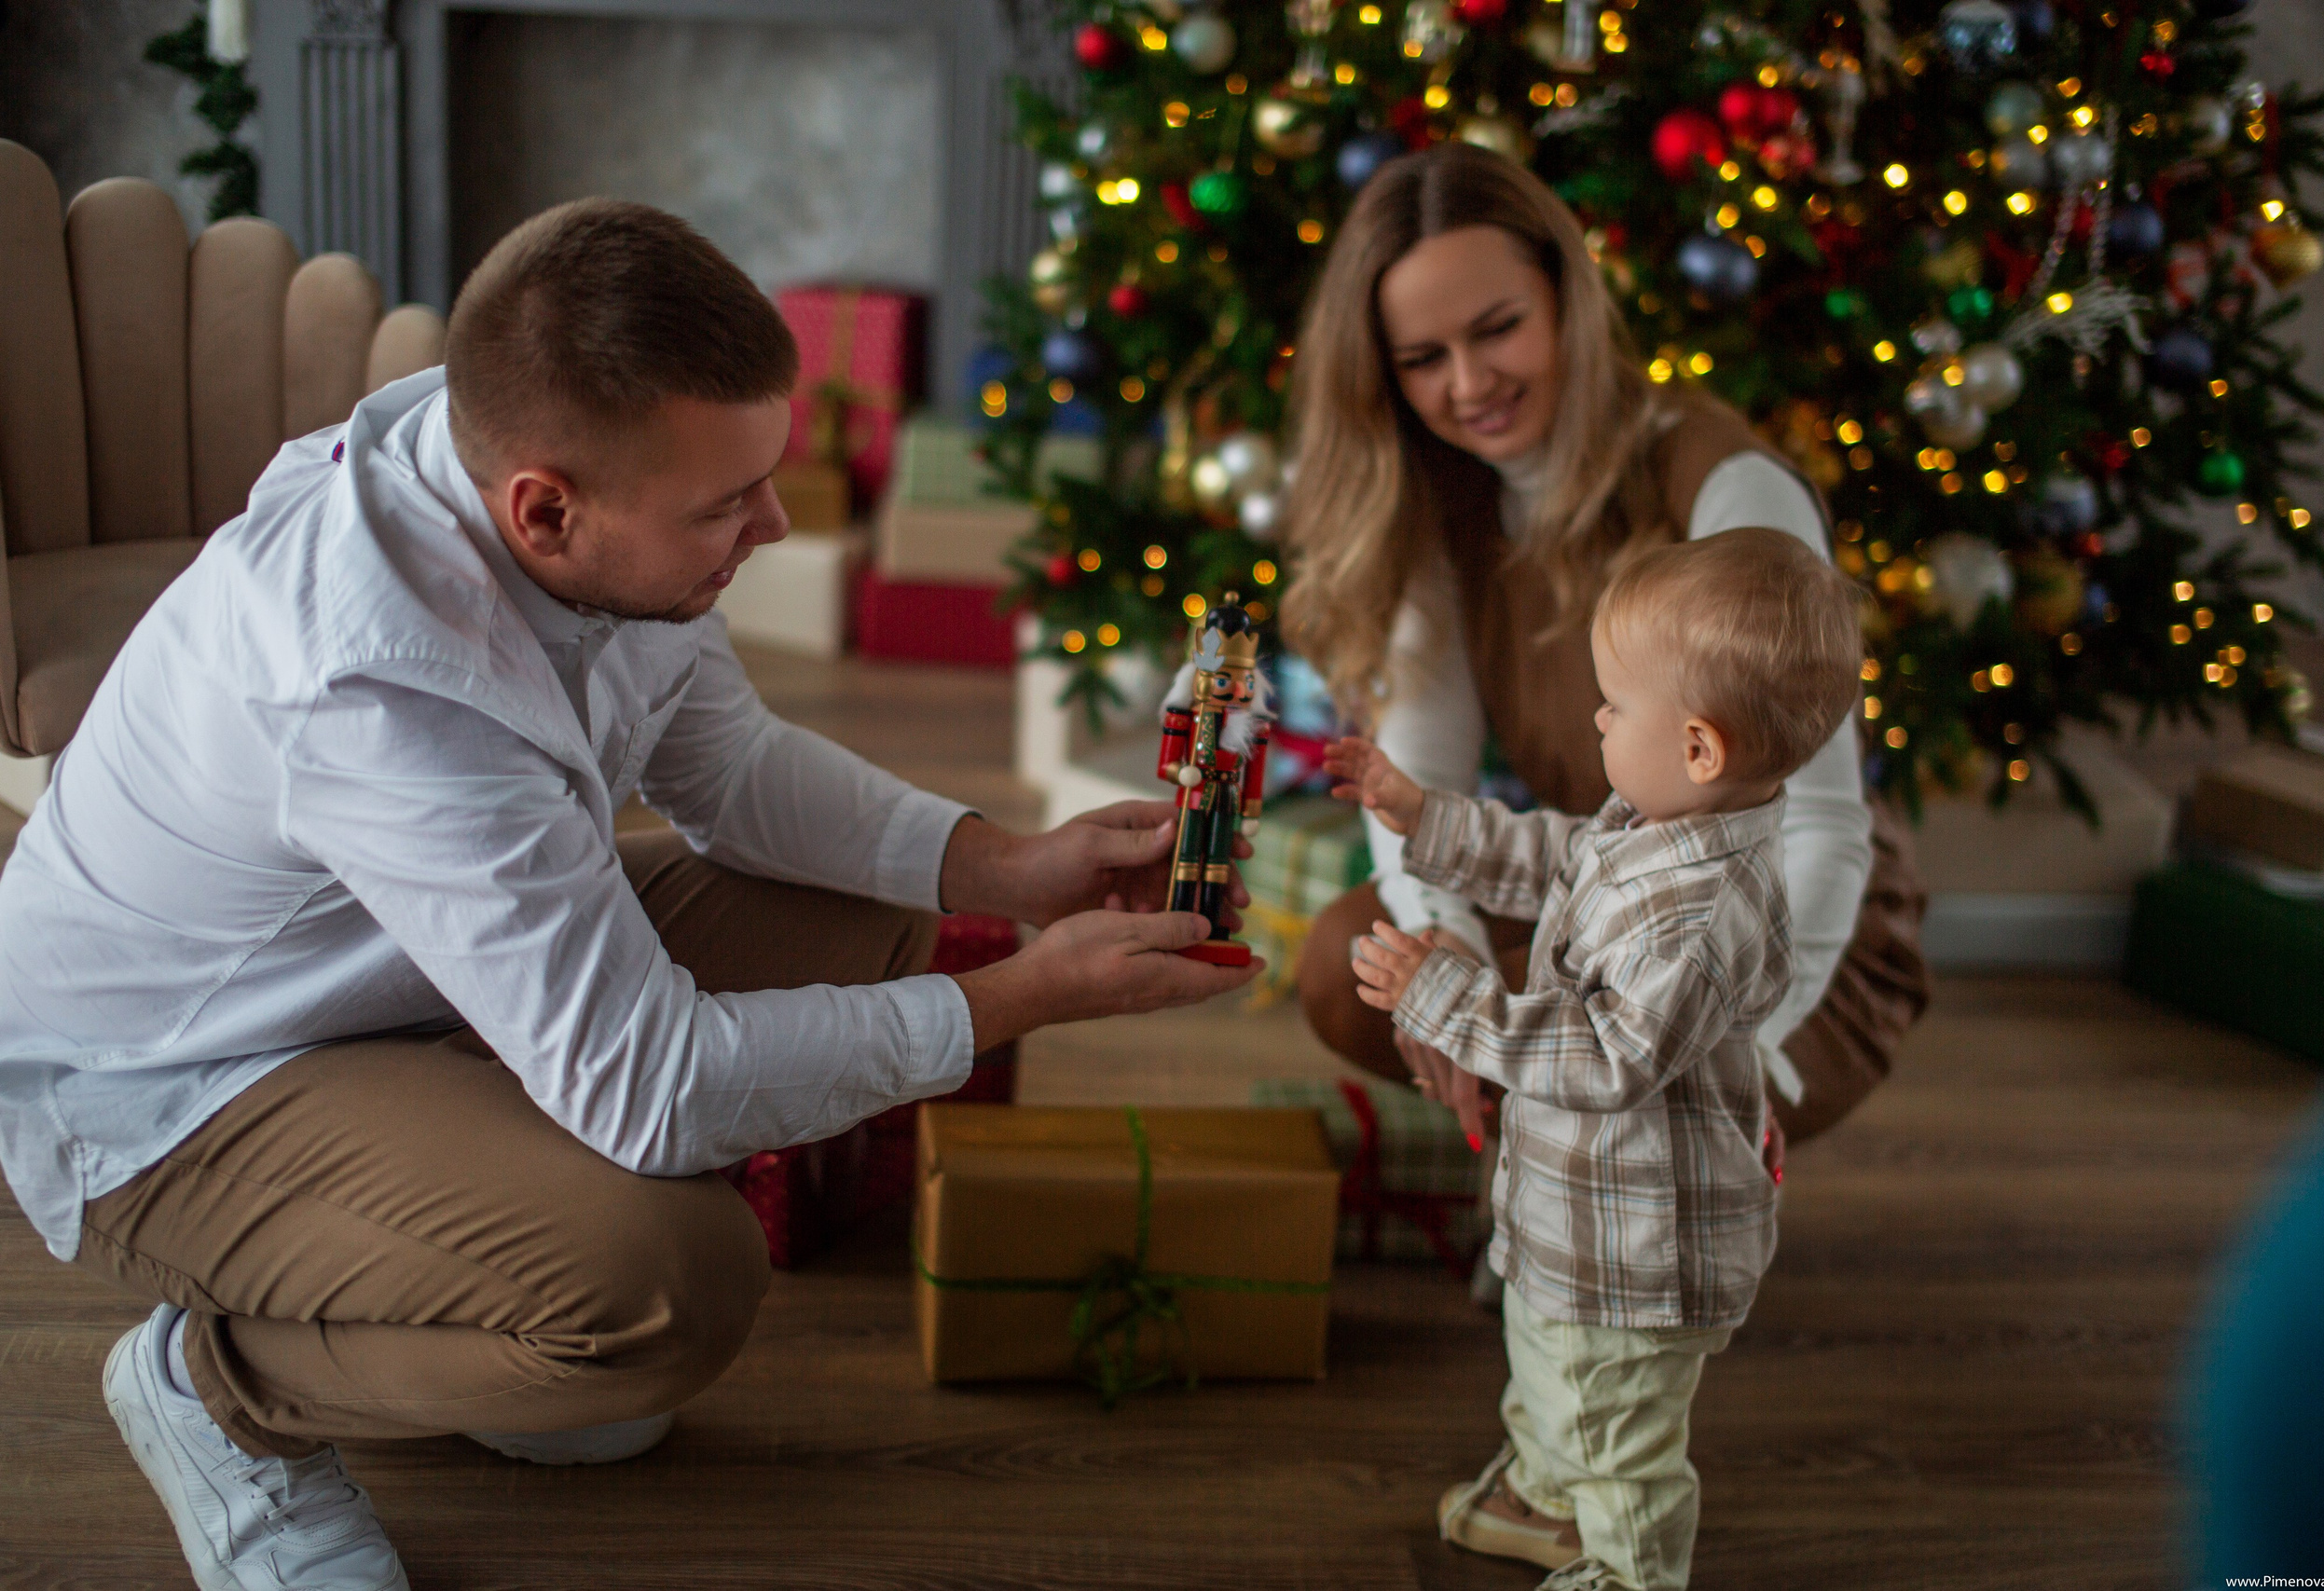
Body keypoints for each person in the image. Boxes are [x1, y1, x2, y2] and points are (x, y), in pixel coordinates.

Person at [0, 199, 1258, 1591]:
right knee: (667, 1287)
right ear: (544, 509)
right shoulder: (378, 683)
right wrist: (1027, 993)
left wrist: (1013, 865)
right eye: (730, 506)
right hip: (174, 1082)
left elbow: (731, 768)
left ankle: (444, 1274)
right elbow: (650, 1091)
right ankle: (217, 1386)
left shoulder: (556, 466)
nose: (773, 527)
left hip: (392, 978)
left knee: (869, 927)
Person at [1281, 144, 1927, 1145]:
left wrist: (1725, 1050)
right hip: (1598, 882)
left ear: (1564, 300)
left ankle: (1628, 1220)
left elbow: (1821, 833)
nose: (1469, 383)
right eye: (1421, 359)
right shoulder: (1434, 500)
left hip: (1776, 915)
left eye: (1499, 328)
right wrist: (1443, 967)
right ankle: (1554, 1199)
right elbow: (1422, 778)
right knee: (1350, 962)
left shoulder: (1720, 485)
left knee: (1648, 1080)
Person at [1324, 526, 1864, 1591]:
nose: (1597, 718)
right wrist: (1422, 816)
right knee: (1545, 1365)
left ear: (1700, 747)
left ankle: (1629, 1566)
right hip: (1578, 1211)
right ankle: (1541, 1494)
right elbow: (1550, 852)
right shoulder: (1657, 821)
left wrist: (1445, 997)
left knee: (1617, 1430)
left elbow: (1609, 1057)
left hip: (1641, 1249)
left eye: (1615, 706)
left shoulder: (1704, 916)